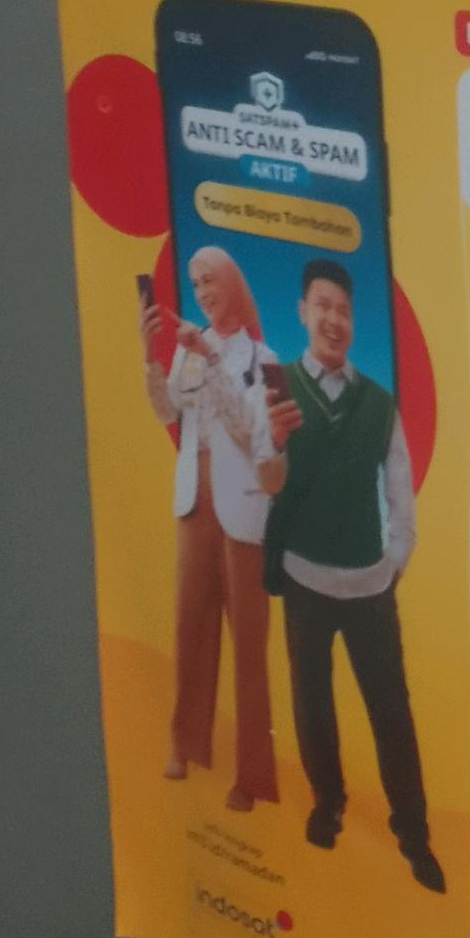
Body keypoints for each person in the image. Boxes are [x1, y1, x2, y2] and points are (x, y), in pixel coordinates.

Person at [265, 257, 444, 891]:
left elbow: (399, 488)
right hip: (303, 579)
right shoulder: (277, 389)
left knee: (391, 712)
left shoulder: (378, 402)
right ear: (302, 312)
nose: (333, 319)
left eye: (343, 309)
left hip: (369, 584)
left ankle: (414, 833)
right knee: (311, 703)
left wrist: (395, 560)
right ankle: (328, 803)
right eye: (323, 306)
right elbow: (262, 479)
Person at [142, 245, 294, 810]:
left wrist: (208, 356)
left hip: (245, 505)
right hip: (194, 496)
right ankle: (185, 743)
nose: (203, 292)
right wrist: (151, 355)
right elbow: (168, 413)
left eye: (211, 280)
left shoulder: (266, 358)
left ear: (232, 284)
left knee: (248, 642)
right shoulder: (190, 348)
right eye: (196, 282)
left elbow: (251, 435)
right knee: (190, 625)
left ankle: (251, 776)